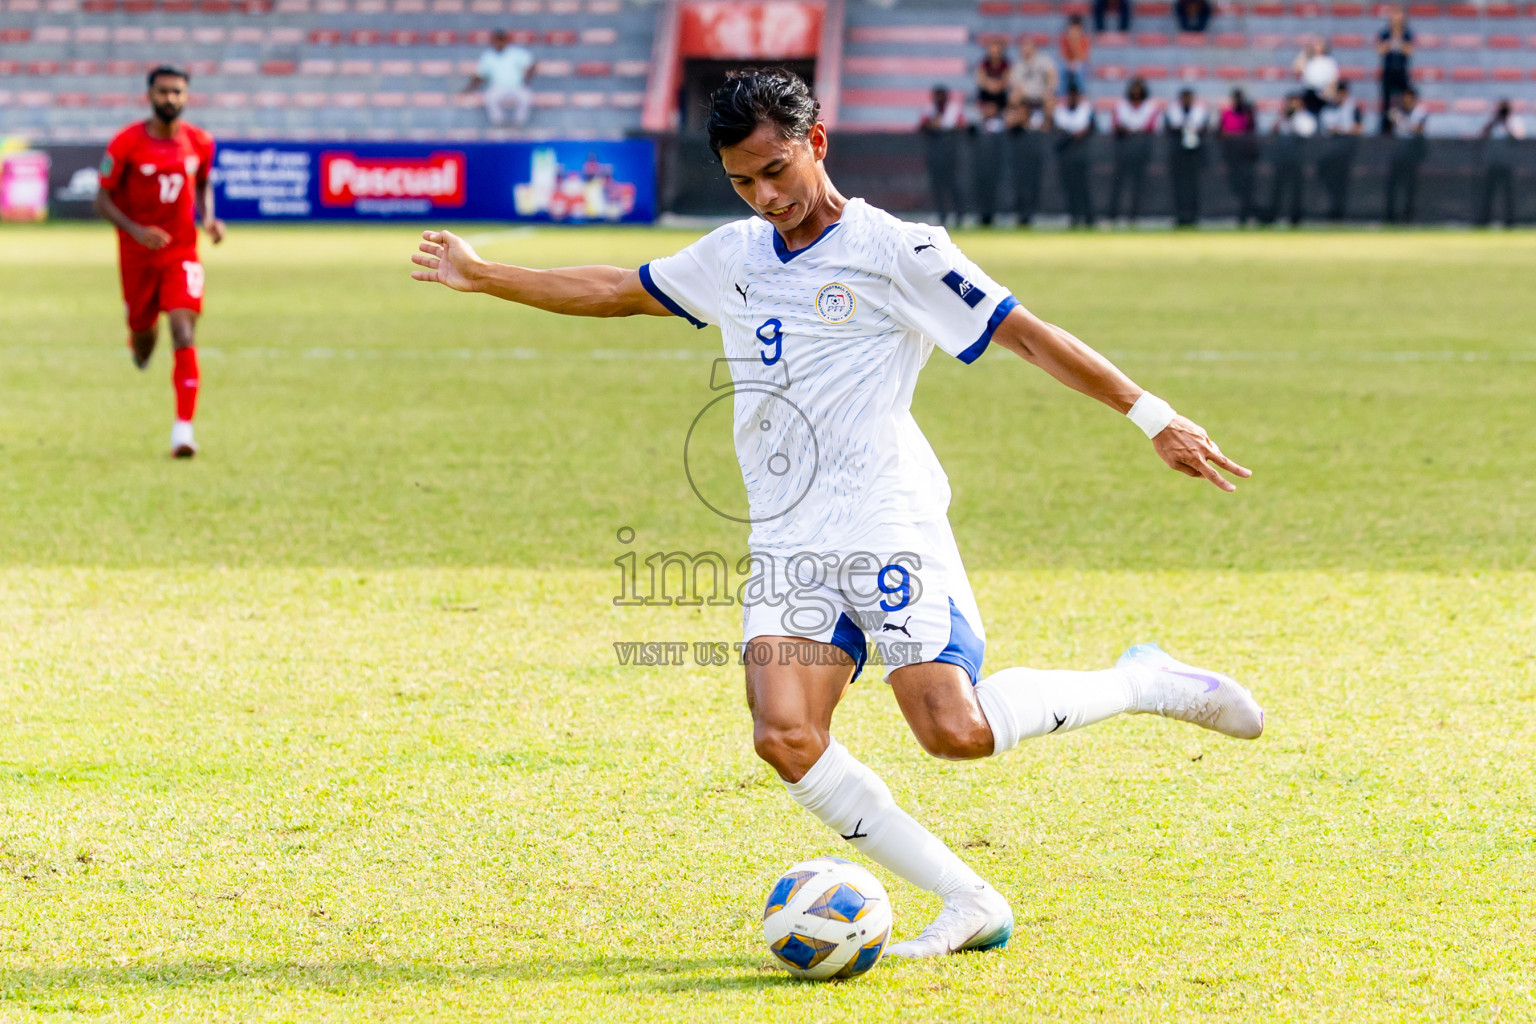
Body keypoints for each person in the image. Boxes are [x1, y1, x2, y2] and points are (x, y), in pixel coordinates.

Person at [409, 66, 1261, 959]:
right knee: (785, 736)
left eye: (776, 170)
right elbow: (618, 287)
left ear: (816, 142)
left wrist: (1153, 417)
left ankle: (1142, 681)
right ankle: (969, 898)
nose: (764, 195)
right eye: (743, 181)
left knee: (955, 731)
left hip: (885, 519)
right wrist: (484, 274)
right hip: (787, 537)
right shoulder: (735, 255)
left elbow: (1028, 335)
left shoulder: (902, 251)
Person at [94, 65, 223, 458]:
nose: (171, 98)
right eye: (164, 91)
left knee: (183, 330)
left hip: (181, 251)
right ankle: (138, 338)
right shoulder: (126, 143)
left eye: (177, 92)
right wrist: (136, 231)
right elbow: (101, 199)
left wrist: (208, 217)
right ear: (150, 95)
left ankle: (183, 431)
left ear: (187, 96)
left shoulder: (200, 141)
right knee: (144, 344)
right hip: (136, 255)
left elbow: (202, 183)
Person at [1109, 78, 1159, 222]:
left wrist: (1130, 129)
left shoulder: (1149, 107)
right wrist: (1131, 129)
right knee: (1118, 183)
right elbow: (1116, 126)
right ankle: (1112, 215)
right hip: (1123, 147)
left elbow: (1149, 127)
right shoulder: (1121, 106)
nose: (1136, 93)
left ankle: (1133, 216)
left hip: (1141, 148)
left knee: (1138, 184)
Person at [464, 29, 534, 127]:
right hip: (497, 88)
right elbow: (480, 75)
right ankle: (499, 123)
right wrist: (469, 89)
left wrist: (526, 80)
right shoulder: (488, 56)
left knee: (526, 97)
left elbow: (531, 64)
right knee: (490, 97)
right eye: (497, 40)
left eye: (501, 40)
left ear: (506, 41)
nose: (499, 43)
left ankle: (519, 123)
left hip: (517, 87)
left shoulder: (516, 53)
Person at [1265, 92, 1316, 227]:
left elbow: (1306, 132)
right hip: (1282, 159)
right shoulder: (1282, 117)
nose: (1290, 105)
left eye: (1293, 102)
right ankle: (1274, 216)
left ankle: (1295, 218)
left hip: (1298, 159)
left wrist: (1293, 118)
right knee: (1278, 189)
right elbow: (1274, 132)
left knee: (1296, 189)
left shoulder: (1304, 117)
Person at [1164, 87, 1211, 227]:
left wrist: (1188, 128)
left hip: (1195, 152)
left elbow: (1204, 129)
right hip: (1178, 152)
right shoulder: (1172, 111)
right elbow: (1169, 129)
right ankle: (1180, 215)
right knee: (1179, 185)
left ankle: (1194, 215)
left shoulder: (1199, 111)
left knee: (1194, 185)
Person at [1317, 79, 1363, 222]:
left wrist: (1341, 130)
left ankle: (1341, 213)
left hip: (1347, 153)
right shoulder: (1327, 109)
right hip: (1329, 153)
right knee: (1331, 184)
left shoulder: (1352, 107)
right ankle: (1331, 212)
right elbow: (1323, 130)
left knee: (1343, 185)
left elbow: (1358, 129)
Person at [919, 86, 966, 226]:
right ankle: (942, 215)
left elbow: (961, 126)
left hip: (951, 155)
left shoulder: (953, 110)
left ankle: (959, 214)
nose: (939, 99)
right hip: (935, 156)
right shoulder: (929, 110)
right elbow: (922, 126)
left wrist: (941, 126)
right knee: (937, 187)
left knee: (953, 185)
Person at [1476, 99, 1525, 227]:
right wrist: (1493, 121)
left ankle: (1510, 222)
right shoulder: (1493, 122)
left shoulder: (1514, 121)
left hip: (1508, 165)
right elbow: (1481, 135)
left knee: (1509, 195)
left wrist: (1507, 123)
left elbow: (1518, 138)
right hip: (1492, 164)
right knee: (1488, 194)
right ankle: (1484, 221)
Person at [1054, 83, 1096, 227]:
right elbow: (1058, 133)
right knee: (1069, 188)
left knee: (1083, 187)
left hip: (1081, 155)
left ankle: (1088, 217)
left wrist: (1080, 133)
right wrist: (1073, 134)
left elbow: (1092, 129)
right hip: (1066, 156)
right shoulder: (1060, 111)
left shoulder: (1086, 110)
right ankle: (1074, 216)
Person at [1008, 95, 1051, 227]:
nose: (1019, 115)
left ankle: (1029, 216)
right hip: (1017, 168)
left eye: (1022, 112)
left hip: (1032, 167)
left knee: (1031, 191)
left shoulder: (1035, 128)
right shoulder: (1014, 131)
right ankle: (1020, 216)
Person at [1385, 87, 1427, 223]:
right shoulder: (1396, 112)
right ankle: (1391, 215)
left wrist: (1402, 122)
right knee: (1393, 185)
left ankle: (1408, 215)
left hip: (1412, 155)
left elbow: (1418, 130)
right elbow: (1389, 131)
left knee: (1410, 186)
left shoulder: (1420, 113)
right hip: (1398, 155)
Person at [1219, 88, 1260, 225]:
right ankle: (1240, 212)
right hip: (1232, 156)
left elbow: (1251, 130)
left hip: (1247, 156)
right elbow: (1222, 133)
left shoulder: (1248, 114)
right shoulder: (1227, 114)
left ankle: (1246, 213)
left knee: (1247, 185)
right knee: (1235, 185)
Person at [971, 99, 1009, 226]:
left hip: (997, 166)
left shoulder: (1000, 125)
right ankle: (982, 216)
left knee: (997, 192)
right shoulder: (979, 125)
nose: (988, 110)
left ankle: (996, 216)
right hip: (981, 166)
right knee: (981, 192)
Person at [1378, 5, 1414, 135]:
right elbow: (1380, 50)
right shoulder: (1385, 33)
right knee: (1386, 103)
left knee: (1404, 100)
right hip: (1388, 70)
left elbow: (1409, 50)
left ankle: (1405, 127)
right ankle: (1385, 131)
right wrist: (1392, 39)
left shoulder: (1407, 33)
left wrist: (1398, 40)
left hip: (1401, 70)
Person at [1008, 36, 1059, 111]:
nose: (1025, 48)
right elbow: (1014, 84)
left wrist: (1049, 89)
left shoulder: (1044, 60)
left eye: (1027, 45)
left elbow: (1052, 76)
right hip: (1025, 94)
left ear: (1034, 47)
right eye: (1023, 45)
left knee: (1050, 98)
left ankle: (1050, 118)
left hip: (1042, 92)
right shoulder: (1017, 65)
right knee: (1013, 97)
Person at [1294, 38, 1338, 117]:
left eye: (1319, 44)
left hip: (1323, 94)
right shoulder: (1308, 60)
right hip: (1309, 93)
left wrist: (1329, 93)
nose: (1316, 47)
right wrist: (1305, 51)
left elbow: (1332, 80)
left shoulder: (1329, 62)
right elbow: (1297, 69)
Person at [975, 38, 1011, 110]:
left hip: (1000, 95)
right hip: (986, 94)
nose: (995, 52)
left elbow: (1006, 81)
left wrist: (997, 86)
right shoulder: (984, 63)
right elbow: (981, 80)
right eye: (993, 49)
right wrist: (991, 85)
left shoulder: (1005, 64)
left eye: (997, 50)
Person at [1060, 15, 1091, 94]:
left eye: (1077, 29)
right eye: (1072, 29)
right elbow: (1064, 56)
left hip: (1081, 63)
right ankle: (1061, 94)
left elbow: (1083, 57)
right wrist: (1070, 63)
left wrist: (1075, 43)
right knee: (1061, 69)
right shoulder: (1064, 39)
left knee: (1079, 70)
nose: (1074, 31)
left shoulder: (1084, 40)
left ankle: (1082, 93)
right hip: (1069, 63)